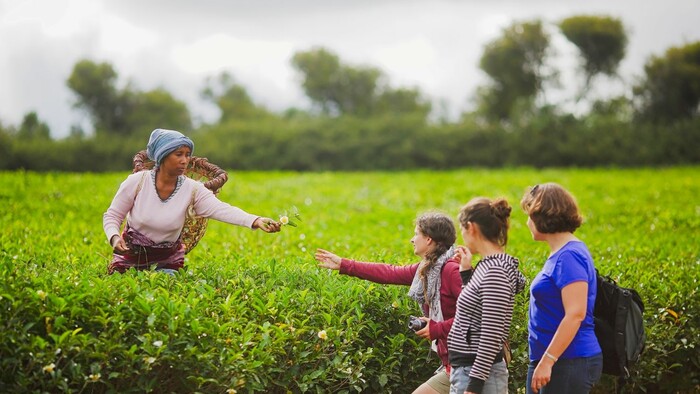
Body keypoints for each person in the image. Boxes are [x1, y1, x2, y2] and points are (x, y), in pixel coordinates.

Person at [315, 212, 462, 394]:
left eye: (416, 234)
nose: (412, 239)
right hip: (453, 364)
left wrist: (436, 328)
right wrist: (344, 264)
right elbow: (389, 272)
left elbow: (475, 317)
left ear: (429, 239)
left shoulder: (452, 271)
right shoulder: (427, 269)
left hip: (471, 363)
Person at [103, 128, 281, 274]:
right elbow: (113, 215)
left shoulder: (193, 189)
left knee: (165, 286)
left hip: (166, 263)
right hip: (129, 260)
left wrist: (256, 220)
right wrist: (114, 237)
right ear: (162, 157)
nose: (184, 160)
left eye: (187, 155)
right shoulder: (138, 182)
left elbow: (221, 210)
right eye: (178, 154)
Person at [520, 183, 603, 394]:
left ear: (542, 215)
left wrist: (548, 360)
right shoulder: (560, 253)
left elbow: (576, 313)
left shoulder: (569, 256)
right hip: (555, 359)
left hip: (568, 360)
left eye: (529, 215)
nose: (527, 222)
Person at [447, 197, 526, 394]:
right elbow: (478, 310)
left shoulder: (495, 270)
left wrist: (473, 387)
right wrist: (466, 273)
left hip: (478, 376)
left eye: (462, 230)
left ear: (471, 227)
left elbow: (491, 333)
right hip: (469, 372)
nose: (462, 237)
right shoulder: (488, 266)